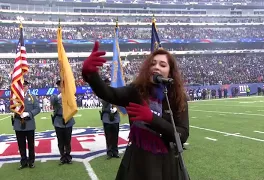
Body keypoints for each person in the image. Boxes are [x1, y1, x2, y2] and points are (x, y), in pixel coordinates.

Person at [82, 42, 189, 180]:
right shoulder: (136, 90)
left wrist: (152, 119)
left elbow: (183, 135)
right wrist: (91, 75)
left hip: (167, 164)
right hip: (138, 161)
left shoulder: (177, 98)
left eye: (162, 65)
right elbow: (110, 94)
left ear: (170, 71)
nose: (156, 67)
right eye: (153, 63)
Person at [12, 80, 41, 170]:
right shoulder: (15, 97)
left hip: (29, 124)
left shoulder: (32, 97)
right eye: (22, 86)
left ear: (27, 87)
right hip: (18, 124)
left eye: (25, 86)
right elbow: (11, 108)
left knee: (31, 144)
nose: (24, 87)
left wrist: (29, 114)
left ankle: (31, 161)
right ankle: (23, 161)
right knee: (21, 145)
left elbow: (38, 108)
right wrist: (17, 111)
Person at [50, 80, 75, 165]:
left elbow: (73, 106)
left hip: (68, 120)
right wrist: (60, 96)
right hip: (58, 121)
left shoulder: (69, 96)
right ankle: (62, 156)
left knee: (68, 140)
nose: (61, 88)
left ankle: (68, 156)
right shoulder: (55, 96)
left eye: (62, 87)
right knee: (60, 141)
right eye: (60, 87)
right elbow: (52, 102)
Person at [99, 78, 121, 159]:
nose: (108, 85)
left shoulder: (115, 92)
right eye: (106, 84)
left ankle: (115, 151)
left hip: (115, 117)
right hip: (106, 117)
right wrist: (108, 95)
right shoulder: (101, 93)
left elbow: (120, 100)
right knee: (108, 136)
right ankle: (109, 151)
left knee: (115, 135)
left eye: (109, 84)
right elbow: (103, 103)